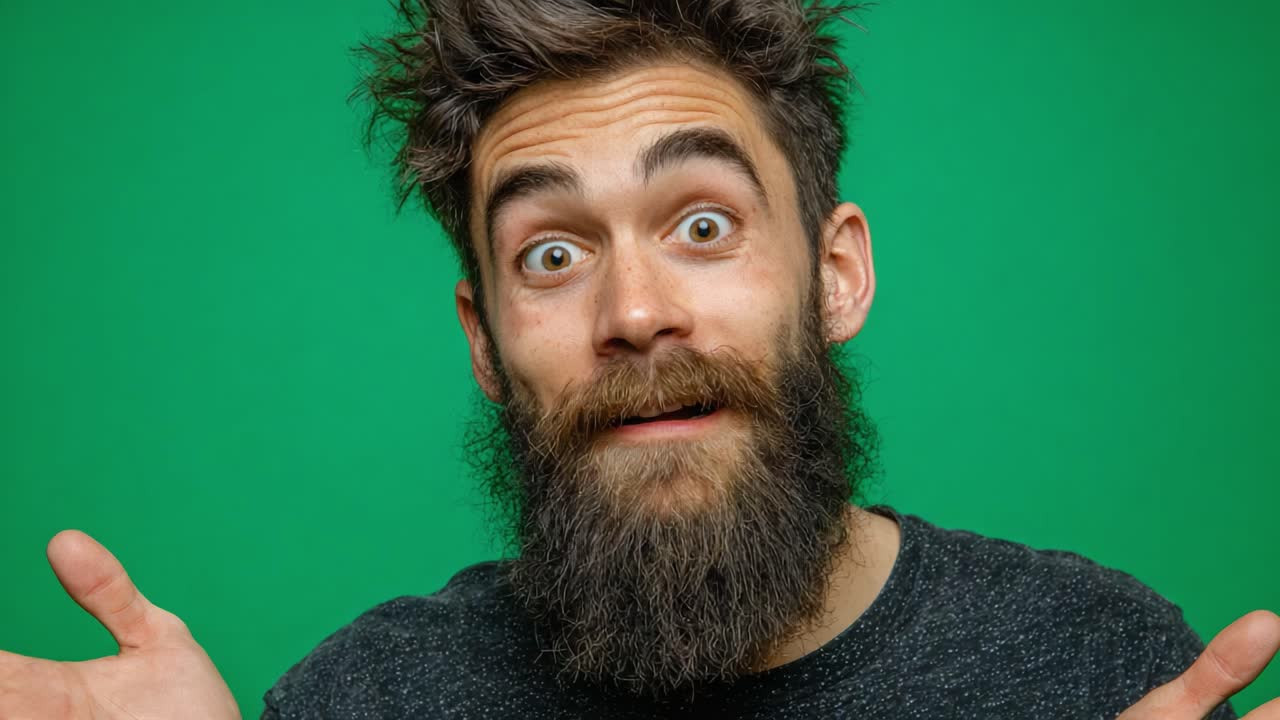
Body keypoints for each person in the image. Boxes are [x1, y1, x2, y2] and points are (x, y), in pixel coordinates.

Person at [1, 1, 1276, 718]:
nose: (634, 311)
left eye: (703, 225)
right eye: (550, 253)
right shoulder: (368, 699)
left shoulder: (1096, 664)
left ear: (835, 275)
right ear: (484, 345)